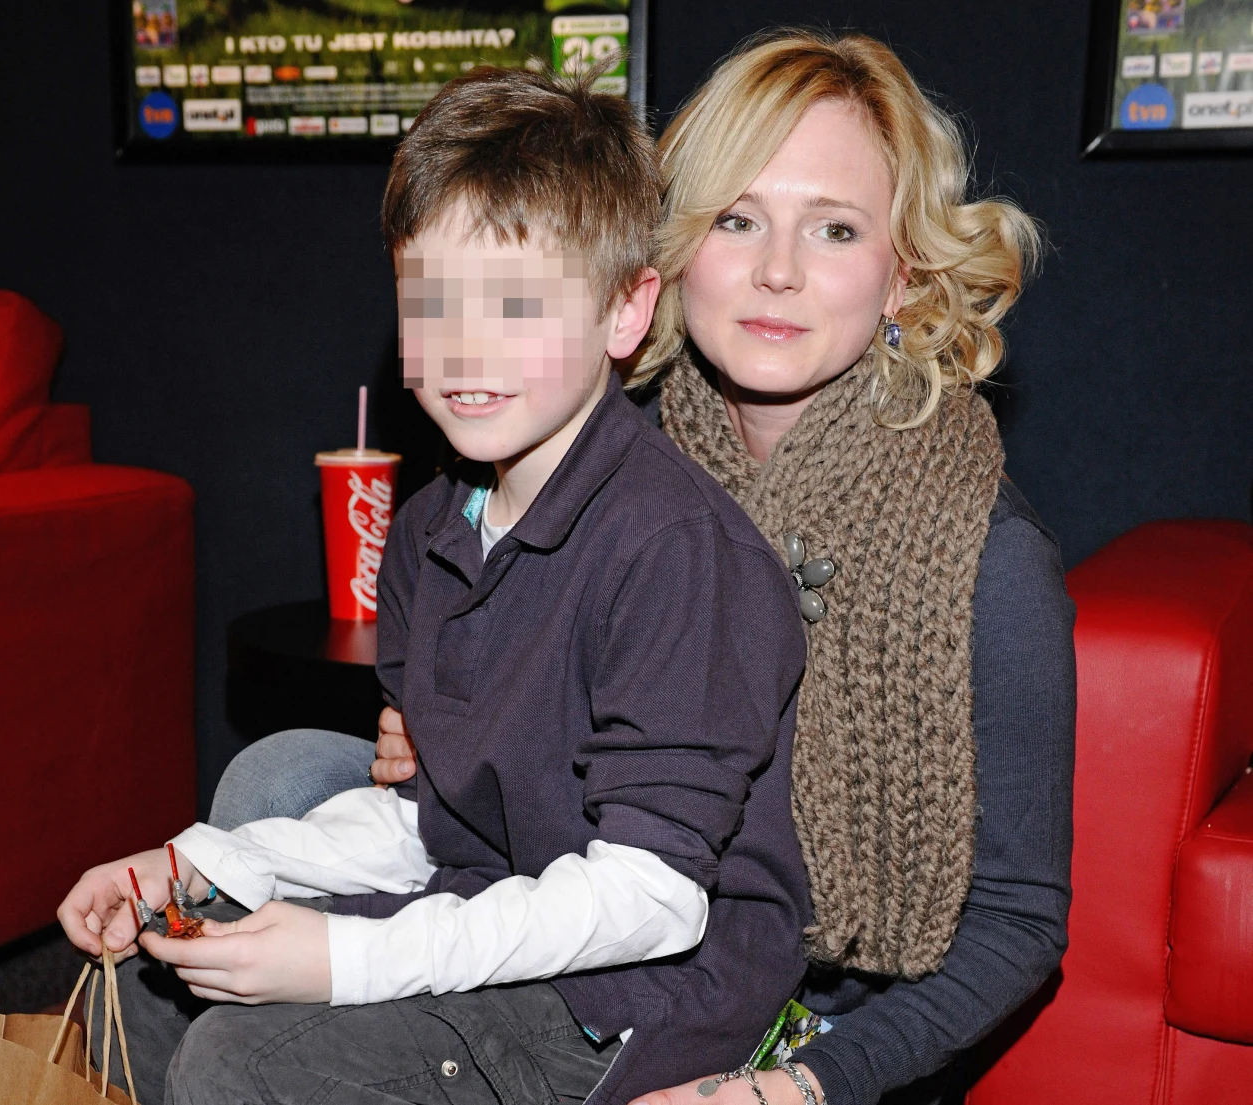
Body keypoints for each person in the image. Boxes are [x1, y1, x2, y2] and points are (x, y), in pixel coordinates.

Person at [58, 65, 815, 1105]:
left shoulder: (675, 551)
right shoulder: (426, 531)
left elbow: (654, 900)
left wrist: (346, 958)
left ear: (625, 310)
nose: (464, 348)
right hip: (493, 903)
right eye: (431, 303)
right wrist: (195, 865)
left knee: (237, 1060)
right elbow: (425, 818)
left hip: (642, 996)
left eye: (515, 304)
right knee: (145, 982)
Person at [362, 30, 1077, 1105]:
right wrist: (448, 729)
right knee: (282, 777)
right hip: (588, 915)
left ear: (903, 275)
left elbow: (1018, 924)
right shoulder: (590, 457)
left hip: (825, 1034)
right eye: (737, 220)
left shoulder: (989, 558)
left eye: (834, 228)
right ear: (667, 258)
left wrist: (796, 1087)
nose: (777, 270)